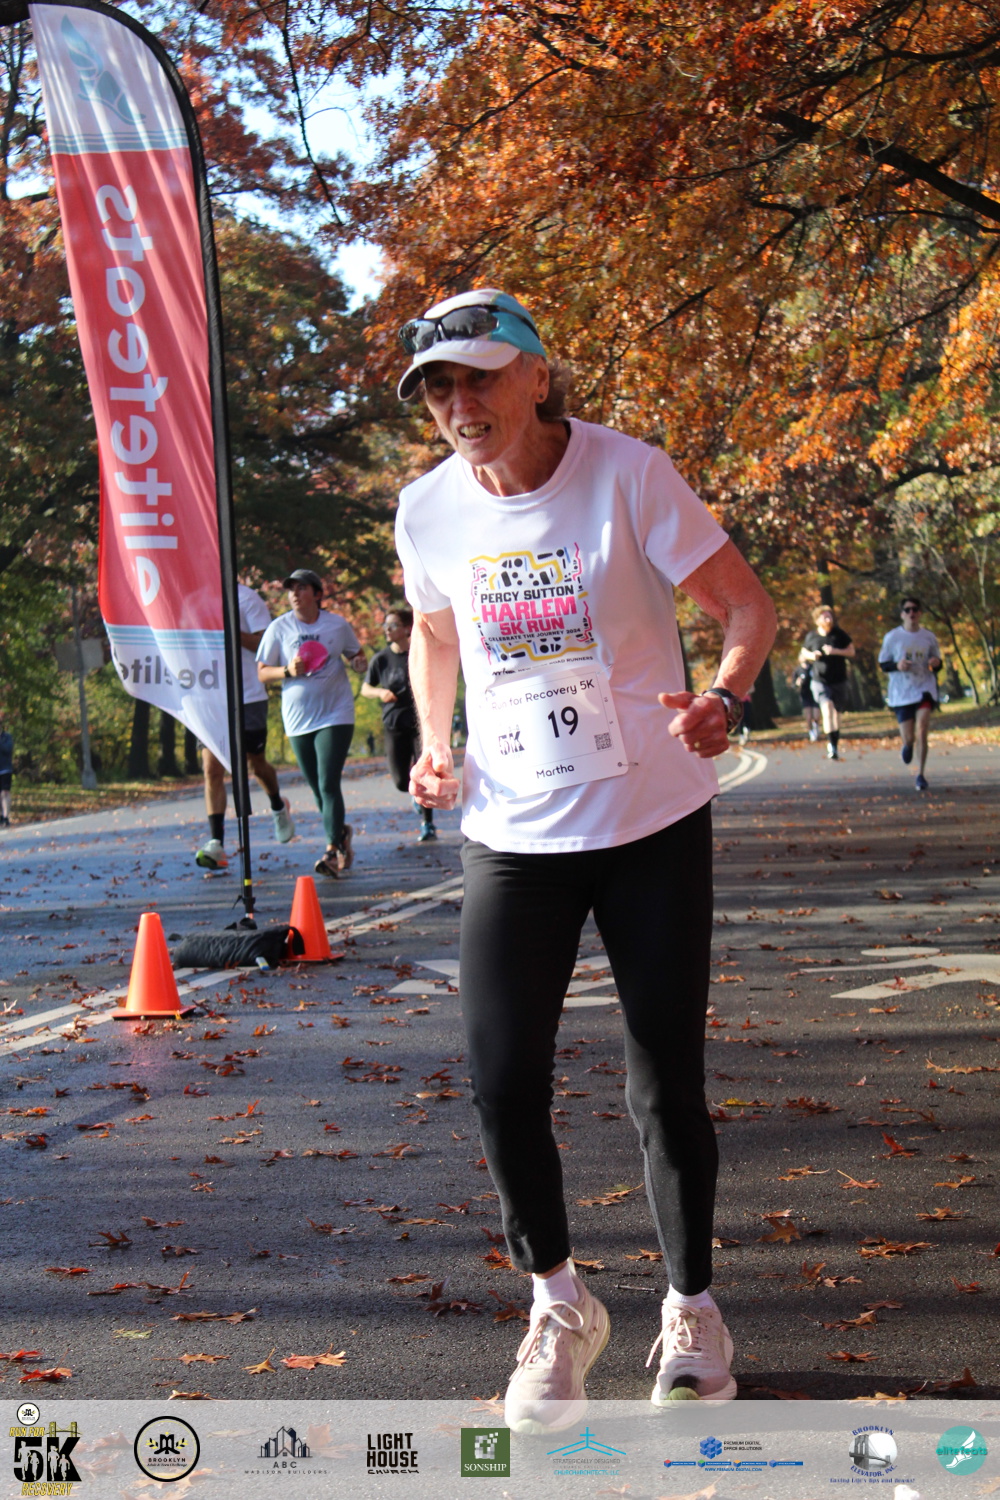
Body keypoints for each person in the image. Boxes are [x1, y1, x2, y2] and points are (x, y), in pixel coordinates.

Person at [393, 287, 776, 1430]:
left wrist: (722, 700)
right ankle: (558, 1306)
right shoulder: (426, 510)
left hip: (649, 819)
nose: (459, 403)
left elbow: (745, 608)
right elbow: (434, 631)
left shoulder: (626, 474)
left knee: (663, 1081)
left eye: (478, 377)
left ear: (535, 375)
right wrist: (432, 740)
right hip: (513, 832)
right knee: (501, 1078)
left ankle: (692, 1310)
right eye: (438, 387)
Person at [256, 569, 366, 878]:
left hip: (336, 713)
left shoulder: (337, 625)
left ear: (317, 594)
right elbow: (262, 672)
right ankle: (341, 833)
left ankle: (331, 850)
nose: (294, 594)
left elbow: (357, 656)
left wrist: (359, 663)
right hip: (298, 719)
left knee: (328, 782)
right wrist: (287, 671)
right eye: (291, 589)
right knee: (318, 788)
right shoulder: (279, 628)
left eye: (301, 588)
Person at [195, 582, 295, 872]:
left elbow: (263, 646)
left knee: (255, 764)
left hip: (247, 695)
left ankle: (277, 805)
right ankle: (216, 842)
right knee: (211, 768)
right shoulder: (194, 597)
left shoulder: (245, 598)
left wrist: (229, 629)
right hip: (208, 697)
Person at [361, 607, 437, 842]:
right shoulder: (381, 659)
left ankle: (427, 823)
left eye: (392, 625)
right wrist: (380, 693)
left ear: (406, 629)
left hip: (420, 724)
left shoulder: (419, 653)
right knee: (400, 781)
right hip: (394, 724)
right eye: (385, 625)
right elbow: (365, 688)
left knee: (424, 773)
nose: (387, 629)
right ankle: (413, 795)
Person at [879, 596, 942, 792]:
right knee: (909, 737)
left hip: (924, 688)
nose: (911, 613)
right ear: (902, 614)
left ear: (920, 613)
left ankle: (921, 774)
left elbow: (938, 662)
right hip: (902, 692)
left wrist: (935, 663)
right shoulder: (892, 637)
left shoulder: (928, 637)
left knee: (922, 728)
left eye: (915, 609)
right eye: (907, 610)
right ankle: (907, 745)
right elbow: (883, 664)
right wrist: (897, 665)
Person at [799, 604, 855, 760]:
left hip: (839, 680)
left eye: (830, 616)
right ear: (817, 620)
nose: (828, 619)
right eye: (825, 617)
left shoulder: (839, 634)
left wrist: (835, 651)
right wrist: (812, 655)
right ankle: (832, 746)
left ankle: (835, 741)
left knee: (836, 713)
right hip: (820, 680)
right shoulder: (812, 636)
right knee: (827, 708)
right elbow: (803, 653)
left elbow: (851, 651)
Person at [792, 662, 820, 741]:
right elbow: (793, 685)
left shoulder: (813, 667)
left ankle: (816, 728)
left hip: (815, 694)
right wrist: (797, 683)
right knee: (808, 716)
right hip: (805, 695)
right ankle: (811, 732)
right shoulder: (798, 670)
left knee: (816, 715)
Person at [0, 712, 12, 828]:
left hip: (5, 769)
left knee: (5, 793)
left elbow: (8, 750)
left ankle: (5, 817)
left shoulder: (7, 737)